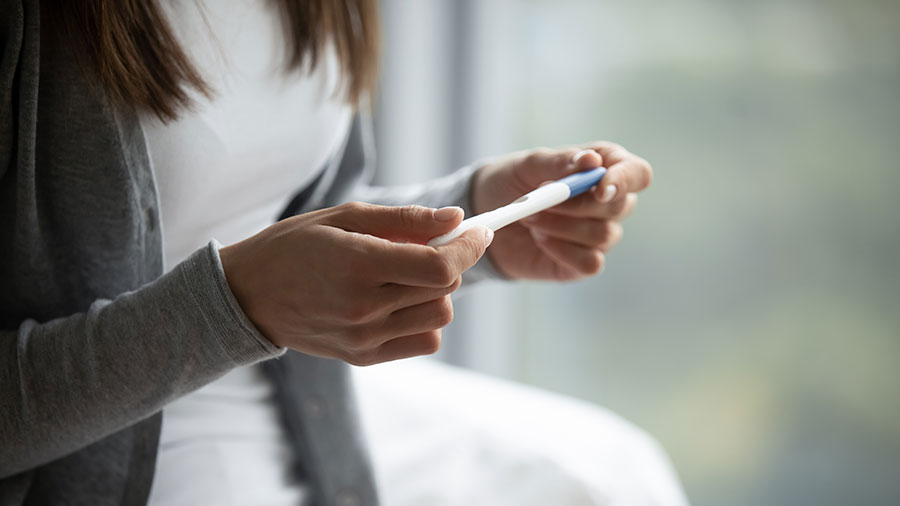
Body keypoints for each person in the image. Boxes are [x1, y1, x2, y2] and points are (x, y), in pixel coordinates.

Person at [0, 1, 677, 505]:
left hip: (305, 407)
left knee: (610, 474)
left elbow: (282, 212)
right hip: (98, 467)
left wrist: (476, 215)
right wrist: (232, 310)